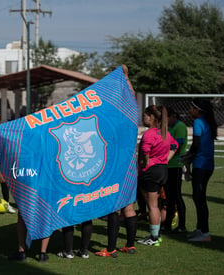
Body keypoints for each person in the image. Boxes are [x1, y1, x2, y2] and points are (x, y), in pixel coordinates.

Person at [96, 64, 138, 257]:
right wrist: (126, 76)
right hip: (129, 159)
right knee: (128, 204)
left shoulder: (111, 111)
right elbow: (132, 94)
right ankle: (130, 244)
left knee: (113, 203)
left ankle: (111, 248)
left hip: (114, 160)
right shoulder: (129, 110)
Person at [137, 105, 178, 246]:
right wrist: (165, 160)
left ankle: (154, 238)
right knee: (156, 204)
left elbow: (145, 151)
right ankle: (156, 234)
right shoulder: (164, 133)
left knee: (153, 206)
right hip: (161, 170)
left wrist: (146, 163)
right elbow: (175, 145)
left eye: (146, 115)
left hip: (150, 171)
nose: (143, 118)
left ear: (152, 117)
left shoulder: (149, 133)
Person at [184, 99, 217, 242]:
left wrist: (188, 157)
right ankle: (200, 229)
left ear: (198, 110)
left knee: (199, 198)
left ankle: (205, 233)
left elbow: (196, 144)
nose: (190, 110)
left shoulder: (198, 122)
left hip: (201, 165)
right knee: (199, 197)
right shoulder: (206, 121)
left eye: (192, 108)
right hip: (206, 164)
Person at [164, 107, 188, 233]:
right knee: (169, 197)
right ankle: (167, 223)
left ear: (173, 116)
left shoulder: (180, 127)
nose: (166, 120)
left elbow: (177, 147)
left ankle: (182, 225)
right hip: (167, 165)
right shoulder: (169, 128)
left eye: (168, 117)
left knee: (177, 196)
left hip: (176, 166)